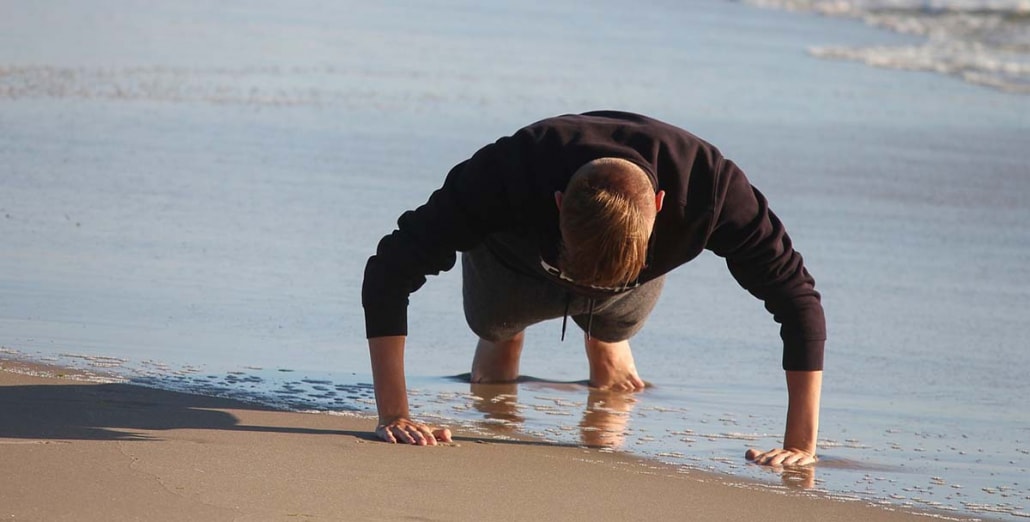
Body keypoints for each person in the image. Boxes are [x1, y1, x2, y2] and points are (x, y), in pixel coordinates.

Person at [362, 111, 826, 467]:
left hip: (629, 283)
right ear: (558, 203)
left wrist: (801, 444)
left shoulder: (710, 187)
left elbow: (796, 298)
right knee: (495, 330)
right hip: (515, 263)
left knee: (616, 319)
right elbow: (388, 272)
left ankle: (606, 334)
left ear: (661, 207)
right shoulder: (506, 171)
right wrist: (394, 413)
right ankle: (507, 333)